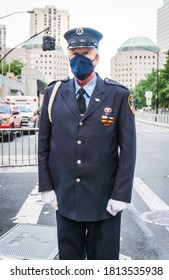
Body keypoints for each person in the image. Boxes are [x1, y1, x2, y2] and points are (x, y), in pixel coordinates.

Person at [38, 27, 136, 260]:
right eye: (75, 53)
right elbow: (44, 145)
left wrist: (121, 195)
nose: (80, 58)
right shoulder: (54, 93)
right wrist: (46, 187)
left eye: (86, 52)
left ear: (97, 58)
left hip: (105, 202)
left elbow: (128, 149)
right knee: (70, 263)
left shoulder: (118, 94)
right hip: (66, 199)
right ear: (68, 57)